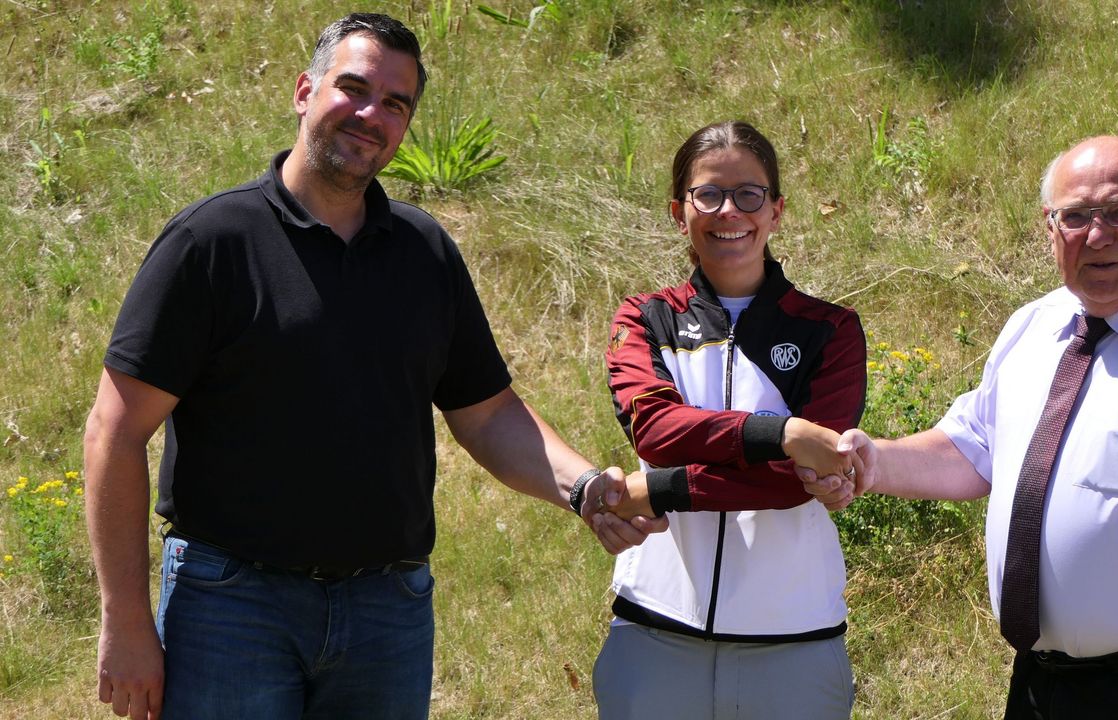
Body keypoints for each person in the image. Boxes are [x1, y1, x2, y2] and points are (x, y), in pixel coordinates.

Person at [82, 13, 663, 720]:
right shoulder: (212, 244)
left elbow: (487, 413)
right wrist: (126, 623)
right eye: (352, 89)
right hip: (230, 608)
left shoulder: (424, 252)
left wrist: (586, 488)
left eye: (395, 104)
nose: (370, 115)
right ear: (303, 91)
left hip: (387, 612)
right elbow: (114, 431)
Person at [819, 136, 1118, 719]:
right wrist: (872, 460)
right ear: (1049, 229)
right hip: (1040, 687)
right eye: (1076, 217)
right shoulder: (1033, 327)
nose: (1097, 235)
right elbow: (973, 448)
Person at [592, 120, 868, 720]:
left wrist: (656, 491)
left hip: (794, 640)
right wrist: (783, 433)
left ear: (776, 210)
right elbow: (657, 433)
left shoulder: (831, 330)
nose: (729, 211)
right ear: (678, 209)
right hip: (655, 631)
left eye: (749, 194)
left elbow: (803, 479)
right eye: (708, 194)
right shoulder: (642, 317)